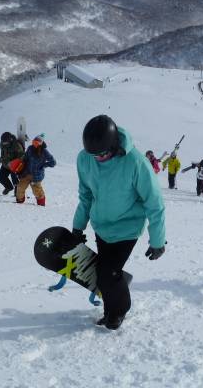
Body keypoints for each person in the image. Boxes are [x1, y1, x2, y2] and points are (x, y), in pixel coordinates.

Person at [73, 115, 165, 330]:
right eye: (94, 154)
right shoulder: (85, 159)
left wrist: (157, 241)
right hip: (101, 226)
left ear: (114, 145)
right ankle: (110, 309)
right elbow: (85, 196)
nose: (99, 158)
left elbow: (155, 203)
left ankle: (119, 310)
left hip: (127, 228)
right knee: (104, 274)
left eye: (103, 153)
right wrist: (78, 227)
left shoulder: (135, 162)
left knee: (108, 273)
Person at [15, 134, 55, 206]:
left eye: (36, 143)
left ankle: (41, 205)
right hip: (26, 173)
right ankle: (19, 202)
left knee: (37, 191)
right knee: (20, 187)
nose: (34, 144)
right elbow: (25, 158)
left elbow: (53, 162)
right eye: (33, 142)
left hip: (36, 175)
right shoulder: (30, 148)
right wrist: (20, 165)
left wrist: (43, 165)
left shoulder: (44, 151)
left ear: (41, 143)